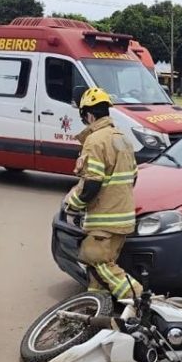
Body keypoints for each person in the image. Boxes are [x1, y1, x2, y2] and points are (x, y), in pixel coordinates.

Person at [64, 87, 142, 300]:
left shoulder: (96, 140)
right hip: (123, 217)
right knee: (99, 275)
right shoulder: (123, 139)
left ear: (88, 114)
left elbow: (92, 184)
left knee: (96, 260)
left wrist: (72, 204)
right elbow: (133, 177)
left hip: (104, 220)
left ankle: (140, 300)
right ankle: (96, 307)